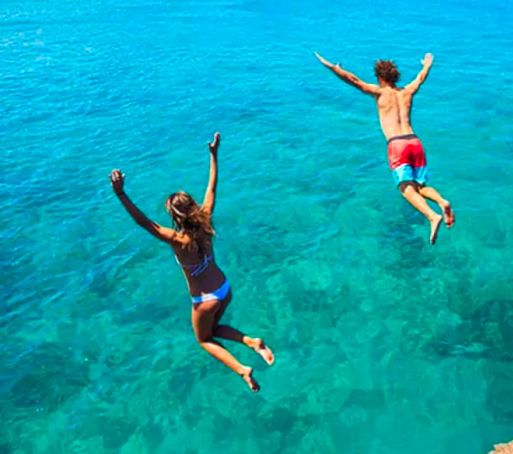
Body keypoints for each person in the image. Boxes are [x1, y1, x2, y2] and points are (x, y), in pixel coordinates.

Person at [109, 133, 274, 392]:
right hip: (224, 288)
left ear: (174, 217)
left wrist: (120, 194)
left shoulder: (176, 239)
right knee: (214, 329)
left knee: (203, 339)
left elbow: (143, 222)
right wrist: (213, 155)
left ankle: (243, 370)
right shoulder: (206, 219)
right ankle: (251, 341)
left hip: (204, 300)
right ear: (193, 206)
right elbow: (212, 187)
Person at [314, 52, 455, 244]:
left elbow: (353, 80)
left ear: (380, 77)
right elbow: (420, 79)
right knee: (420, 186)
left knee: (404, 187)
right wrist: (427, 65)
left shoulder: (379, 92)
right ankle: (441, 201)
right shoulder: (407, 91)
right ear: (394, 76)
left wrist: (332, 67)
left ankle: (432, 216)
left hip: (397, 144)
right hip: (414, 141)